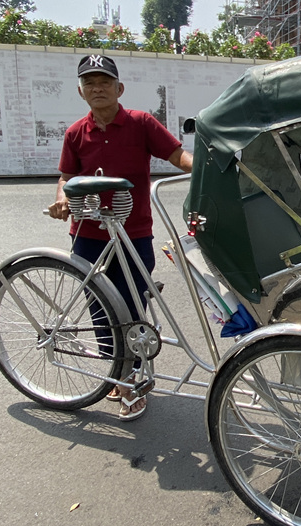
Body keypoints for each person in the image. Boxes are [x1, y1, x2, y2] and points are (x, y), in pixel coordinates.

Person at [48, 54, 193, 421]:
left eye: (105, 82)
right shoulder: (75, 132)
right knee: (100, 308)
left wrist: (212, 169)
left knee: (131, 306)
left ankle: (131, 373)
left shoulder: (141, 123)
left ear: (119, 88)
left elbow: (177, 156)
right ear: (81, 92)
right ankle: (122, 378)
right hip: (87, 233)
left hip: (133, 232)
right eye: (90, 83)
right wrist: (62, 197)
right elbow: (66, 176)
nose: (98, 88)